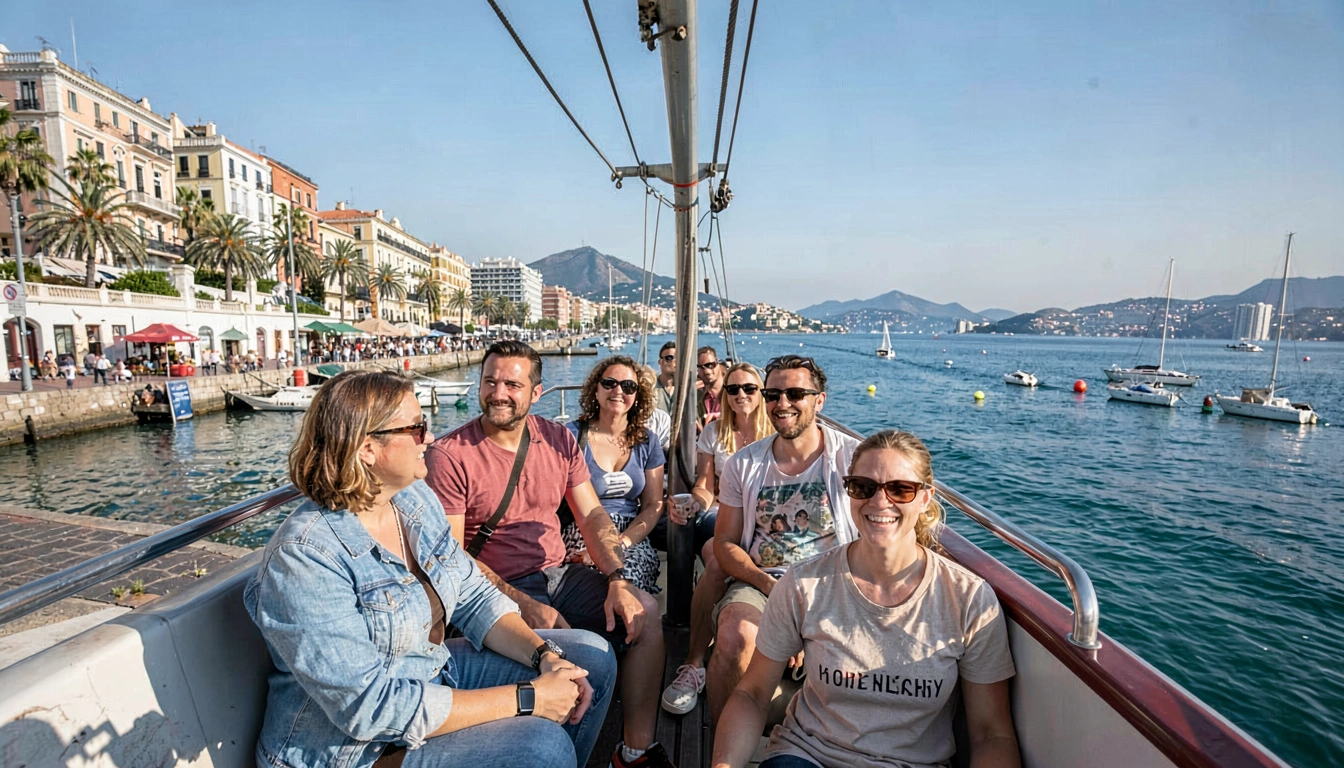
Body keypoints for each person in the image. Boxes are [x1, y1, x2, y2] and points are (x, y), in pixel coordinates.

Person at [244, 370, 617, 768]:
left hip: (428, 673)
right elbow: (368, 708)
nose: (431, 438)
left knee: (590, 660)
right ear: (366, 448)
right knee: (541, 745)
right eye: (417, 428)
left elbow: (473, 596)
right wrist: (530, 698)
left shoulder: (413, 499)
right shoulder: (305, 557)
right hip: (353, 752)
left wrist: (544, 656)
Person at [425, 341, 675, 768]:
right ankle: (563, 757)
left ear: (536, 393)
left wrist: (616, 578)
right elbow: (451, 557)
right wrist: (526, 606)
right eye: (490, 381)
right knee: (586, 654)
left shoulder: (557, 439)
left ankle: (633, 751)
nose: (498, 392)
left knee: (645, 612)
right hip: (491, 590)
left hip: (556, 574)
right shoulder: (450, 456)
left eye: (512, 384)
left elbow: (592, 514)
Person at [711, 430, 1020, 768]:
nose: (880, 501)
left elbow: (992, 734)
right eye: (864, 487)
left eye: (900, 489)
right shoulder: (804, 583)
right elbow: (752, 694)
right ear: (849, 493)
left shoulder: (968, 599)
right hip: (808, 756)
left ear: (925, 498)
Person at [706, 355, 859, 723]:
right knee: (734, 637)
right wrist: (771, 588)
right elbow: (724, 543)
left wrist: (810, 609)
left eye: (795, 393)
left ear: (819, 400)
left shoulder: (852, 459)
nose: (782, 403)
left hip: (833, 585)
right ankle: (726, 750)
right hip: (763, 581)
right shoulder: (744, 464)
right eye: (773, 394)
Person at [661, 361, 773, 716]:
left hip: (764, 523)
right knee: (715, 561)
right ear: (724, 394)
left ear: (763, 392)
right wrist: (694, 502)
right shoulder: (715, 432)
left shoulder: (777, 434)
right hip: (721, 516)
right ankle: (695, 663)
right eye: (733, 389)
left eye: (749, 388)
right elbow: (706, 486)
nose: (741, 395)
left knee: (726, 563)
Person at [565, 355, 666, 595]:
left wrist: (622, 542)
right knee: (590, 584)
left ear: (637, 396)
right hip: (582, 528)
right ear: (596, 390)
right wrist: (598, 546)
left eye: (629, 386)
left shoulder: (647, 441)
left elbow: (653, 505)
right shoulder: (572, 436)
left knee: (629, 583)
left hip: (630, 533)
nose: (618, 391)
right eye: (610, 383)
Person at [696, 346, 726, 427]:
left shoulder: (732, 391)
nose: (707, 371)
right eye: (701, 367)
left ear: (718, 363)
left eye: (710, 365)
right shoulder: (696, 397)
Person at [653, 341, 677, 414]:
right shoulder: (652, 388)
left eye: (677, 358)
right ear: (660, 362)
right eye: (669, 358)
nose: (674, 361)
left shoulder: (685, 388)